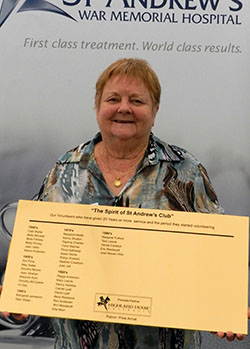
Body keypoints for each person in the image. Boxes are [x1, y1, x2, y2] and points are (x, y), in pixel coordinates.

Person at [1, 58, 249, 347]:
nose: (124, 108)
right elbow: (38, 253)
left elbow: (215, 256)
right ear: (97, 106)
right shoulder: (66, 168)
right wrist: (19, 296)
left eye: (137, 100)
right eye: (113, 99)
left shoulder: (186, 171)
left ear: (154, 111)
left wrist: (224, 307)